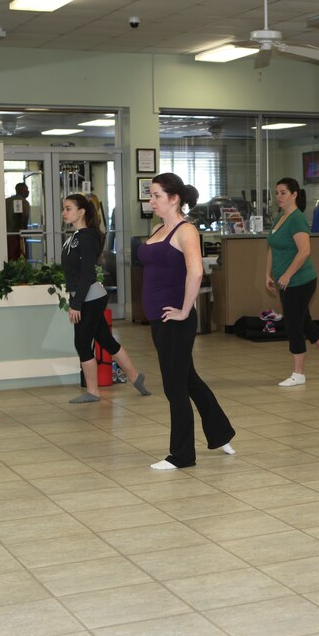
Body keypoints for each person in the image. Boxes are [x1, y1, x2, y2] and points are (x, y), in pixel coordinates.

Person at [140, 173, 235, 469]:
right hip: (158, 317)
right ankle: (221, 432)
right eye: (151, 195)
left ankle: (182, 455)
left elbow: (195, 272)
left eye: (156, 195)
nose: (151, 200)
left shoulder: (186, 231)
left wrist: (183, 310)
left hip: (175, 318)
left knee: (174, 386)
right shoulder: (157, 228)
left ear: (174, 198)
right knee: (188, 378)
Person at [60, 193, 150, 403]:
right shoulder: (74, 237)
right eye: (64, 208)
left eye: (68, 208)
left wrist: (76, 303)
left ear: (81, 212)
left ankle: (93, 391)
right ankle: (136, 377)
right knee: (106, 340)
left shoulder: (88, 237)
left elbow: (87, 273)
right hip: (86, 297)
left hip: (90, 298)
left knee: (82, 344)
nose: (64, 213)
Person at [265, 177, 319, 387]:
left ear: (294, 195)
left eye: (283, 192)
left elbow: (305, 251)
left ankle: (298, 374)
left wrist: (288, 274)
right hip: (285, 282)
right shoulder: (280, 217)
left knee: (293, 325)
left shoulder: (297, 219)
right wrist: (268, 273)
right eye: (277, 192)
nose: (278, 196)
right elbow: (272, 246)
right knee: (305, 323)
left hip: (300, 281)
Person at [5, 182, 30, 262]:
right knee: (19, 258)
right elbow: (24, 220)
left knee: (9, 258)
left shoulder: (6, 202)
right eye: (26, 189)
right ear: (21, 190)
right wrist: (24, 233)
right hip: (18, 237)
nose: (28, 192)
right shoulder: (24, 203)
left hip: (6, 235)